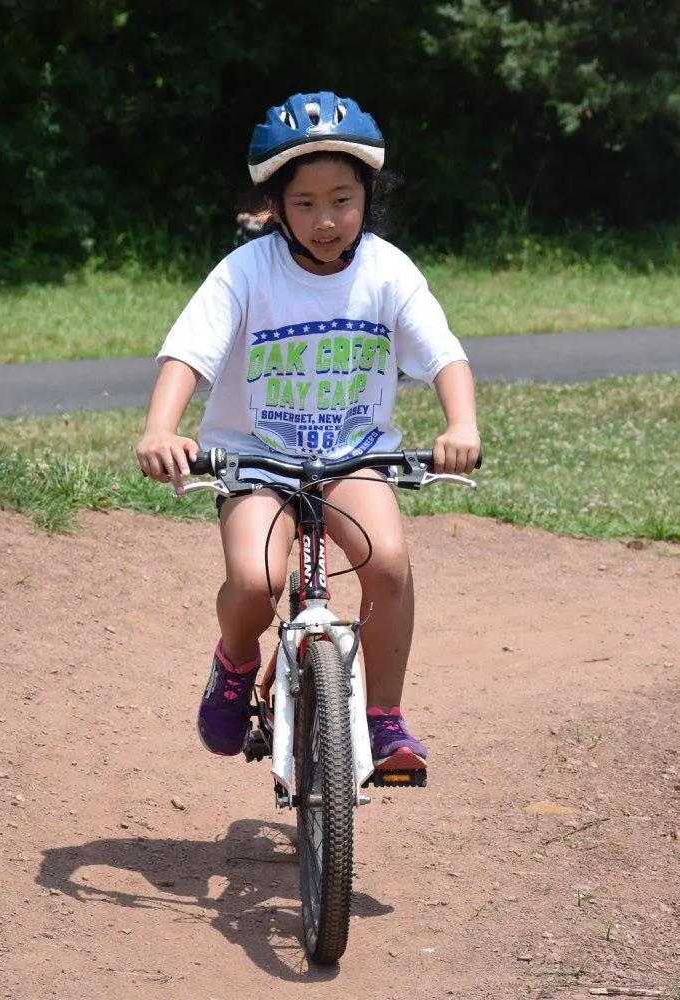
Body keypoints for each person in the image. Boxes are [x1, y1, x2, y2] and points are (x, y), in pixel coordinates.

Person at [135, 91, 481, 776]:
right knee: (257, 579)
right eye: (305, 204)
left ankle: (384, 719)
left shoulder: (387, 270)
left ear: (369, 196)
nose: (326, 220)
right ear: (274, 207)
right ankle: (235, 664)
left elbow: (444, 354)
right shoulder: (246, 273)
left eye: (343, 200)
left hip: (354, 456)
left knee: (387, 562)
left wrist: (461, 422)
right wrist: (159, 429)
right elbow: (189, 356)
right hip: (255, 460)